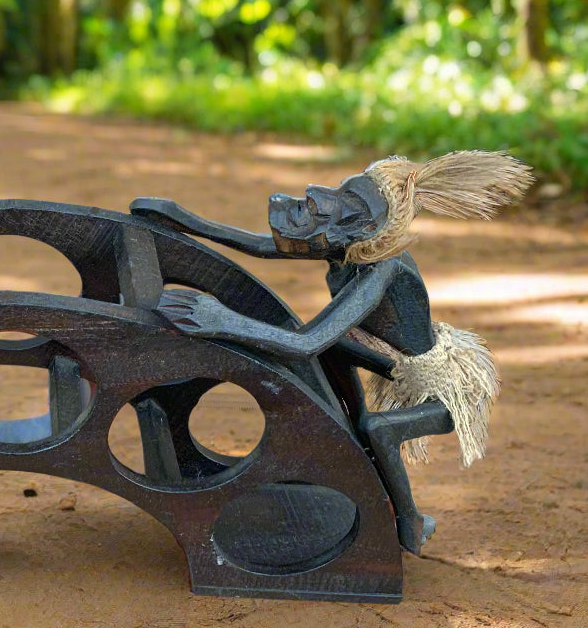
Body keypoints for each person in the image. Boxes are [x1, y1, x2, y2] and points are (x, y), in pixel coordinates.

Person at [131, 151, 532, 552]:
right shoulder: (350, 246)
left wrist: (224, 319)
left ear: (369, 229)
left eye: (350, 205)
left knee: (378, 428)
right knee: (335, 360)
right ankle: (350, 443)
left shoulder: (379, 268)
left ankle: (409, 519)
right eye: (343, 193)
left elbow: (305, 343)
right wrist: (185, 221)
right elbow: (261, 246)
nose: (326, 200)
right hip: (391, 361)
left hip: (444, 388)